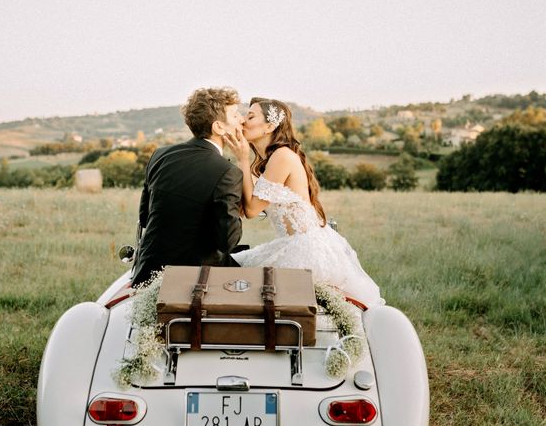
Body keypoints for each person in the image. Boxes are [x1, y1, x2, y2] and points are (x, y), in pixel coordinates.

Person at [225, 97, 386, 308]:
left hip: (306, 251)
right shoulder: (272, 160)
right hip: (291, 243)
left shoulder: (282, 156)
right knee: (239, 267)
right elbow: (247, 206)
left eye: (251, 116)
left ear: (270, 126)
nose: (243, 121)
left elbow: (252, 209)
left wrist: (243, 159)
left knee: (248, 281)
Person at [131, 87, 245, 286]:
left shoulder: (161, 155)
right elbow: (228, 241)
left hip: (147, 273)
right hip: (195, 281)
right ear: (219, 127)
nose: (242, 120)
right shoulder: (228, 172)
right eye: (235, 115)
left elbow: (144, 217)